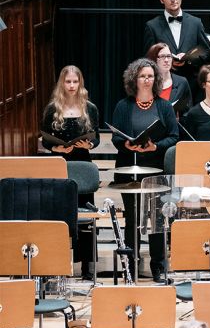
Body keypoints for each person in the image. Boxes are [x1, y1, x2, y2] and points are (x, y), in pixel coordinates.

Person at [110, 57, 179, 283]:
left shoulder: (164, 105)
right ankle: (131, 265)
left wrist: (156, 146)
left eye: (150, 76)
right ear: (134, 79)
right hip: (129, 170)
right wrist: (125, 143)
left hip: (156, 169)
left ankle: (158, 266)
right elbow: (116, 137)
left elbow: (174, 137)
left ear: (155, 79)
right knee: (132, 219)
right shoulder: (123, 105)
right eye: (142, 76)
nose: (147, 80)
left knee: (157, 219)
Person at [142, 0, 209, 79]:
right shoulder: (152, 26)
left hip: (191, 82)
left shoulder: (196, 23)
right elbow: (149, 58)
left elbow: (205, 51)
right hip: (163, 82)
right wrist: (168, 59)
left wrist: (189, 58)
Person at [41, 65, 99, 163]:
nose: (72, 85)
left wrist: (88, 145)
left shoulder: (90, 108)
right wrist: (56, 148)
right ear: (62, 84)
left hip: (83, 161)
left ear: (80, 83)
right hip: (59, 161)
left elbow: (96, 138)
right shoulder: (51, 108)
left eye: (75, 81)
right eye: (68, 81)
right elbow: (45, 140)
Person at [145, 42, 192, 116]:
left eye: (169, 56)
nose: (166, 60)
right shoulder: (146, 82)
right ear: (153, 59)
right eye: (162, 56)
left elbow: (188, 112)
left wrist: (179, 119)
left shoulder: (182, 82)